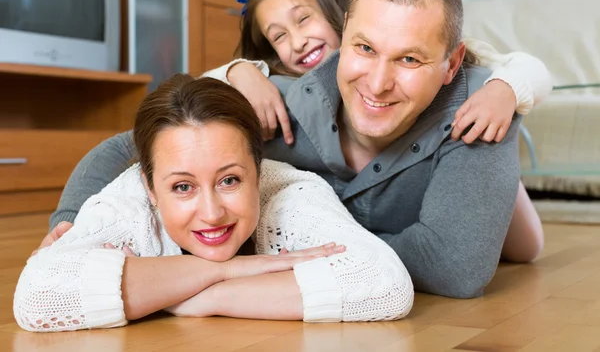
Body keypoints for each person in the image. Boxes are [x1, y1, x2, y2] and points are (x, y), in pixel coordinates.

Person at [40, 0, 546, 298]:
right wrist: (68, 223)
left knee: (525, 245)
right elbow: (125, 147)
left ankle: (501, 190)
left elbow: (457, 268)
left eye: (409, 59)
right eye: (365, 48)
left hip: (496, 212)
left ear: (451, 64)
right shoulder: (276, 103)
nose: (378, 81)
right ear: (345, 32)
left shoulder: (482, 107)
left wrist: (285, 253)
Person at [13, 75, 414, 332]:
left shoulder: (292, 189)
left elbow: (386, 285)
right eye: (183, 188)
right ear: (150, 189)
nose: (211, 213)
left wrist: (199, 296)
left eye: (229, 180)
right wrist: (230, 269)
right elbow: (37, 297)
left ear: (259, 172)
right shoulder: (127, 201)